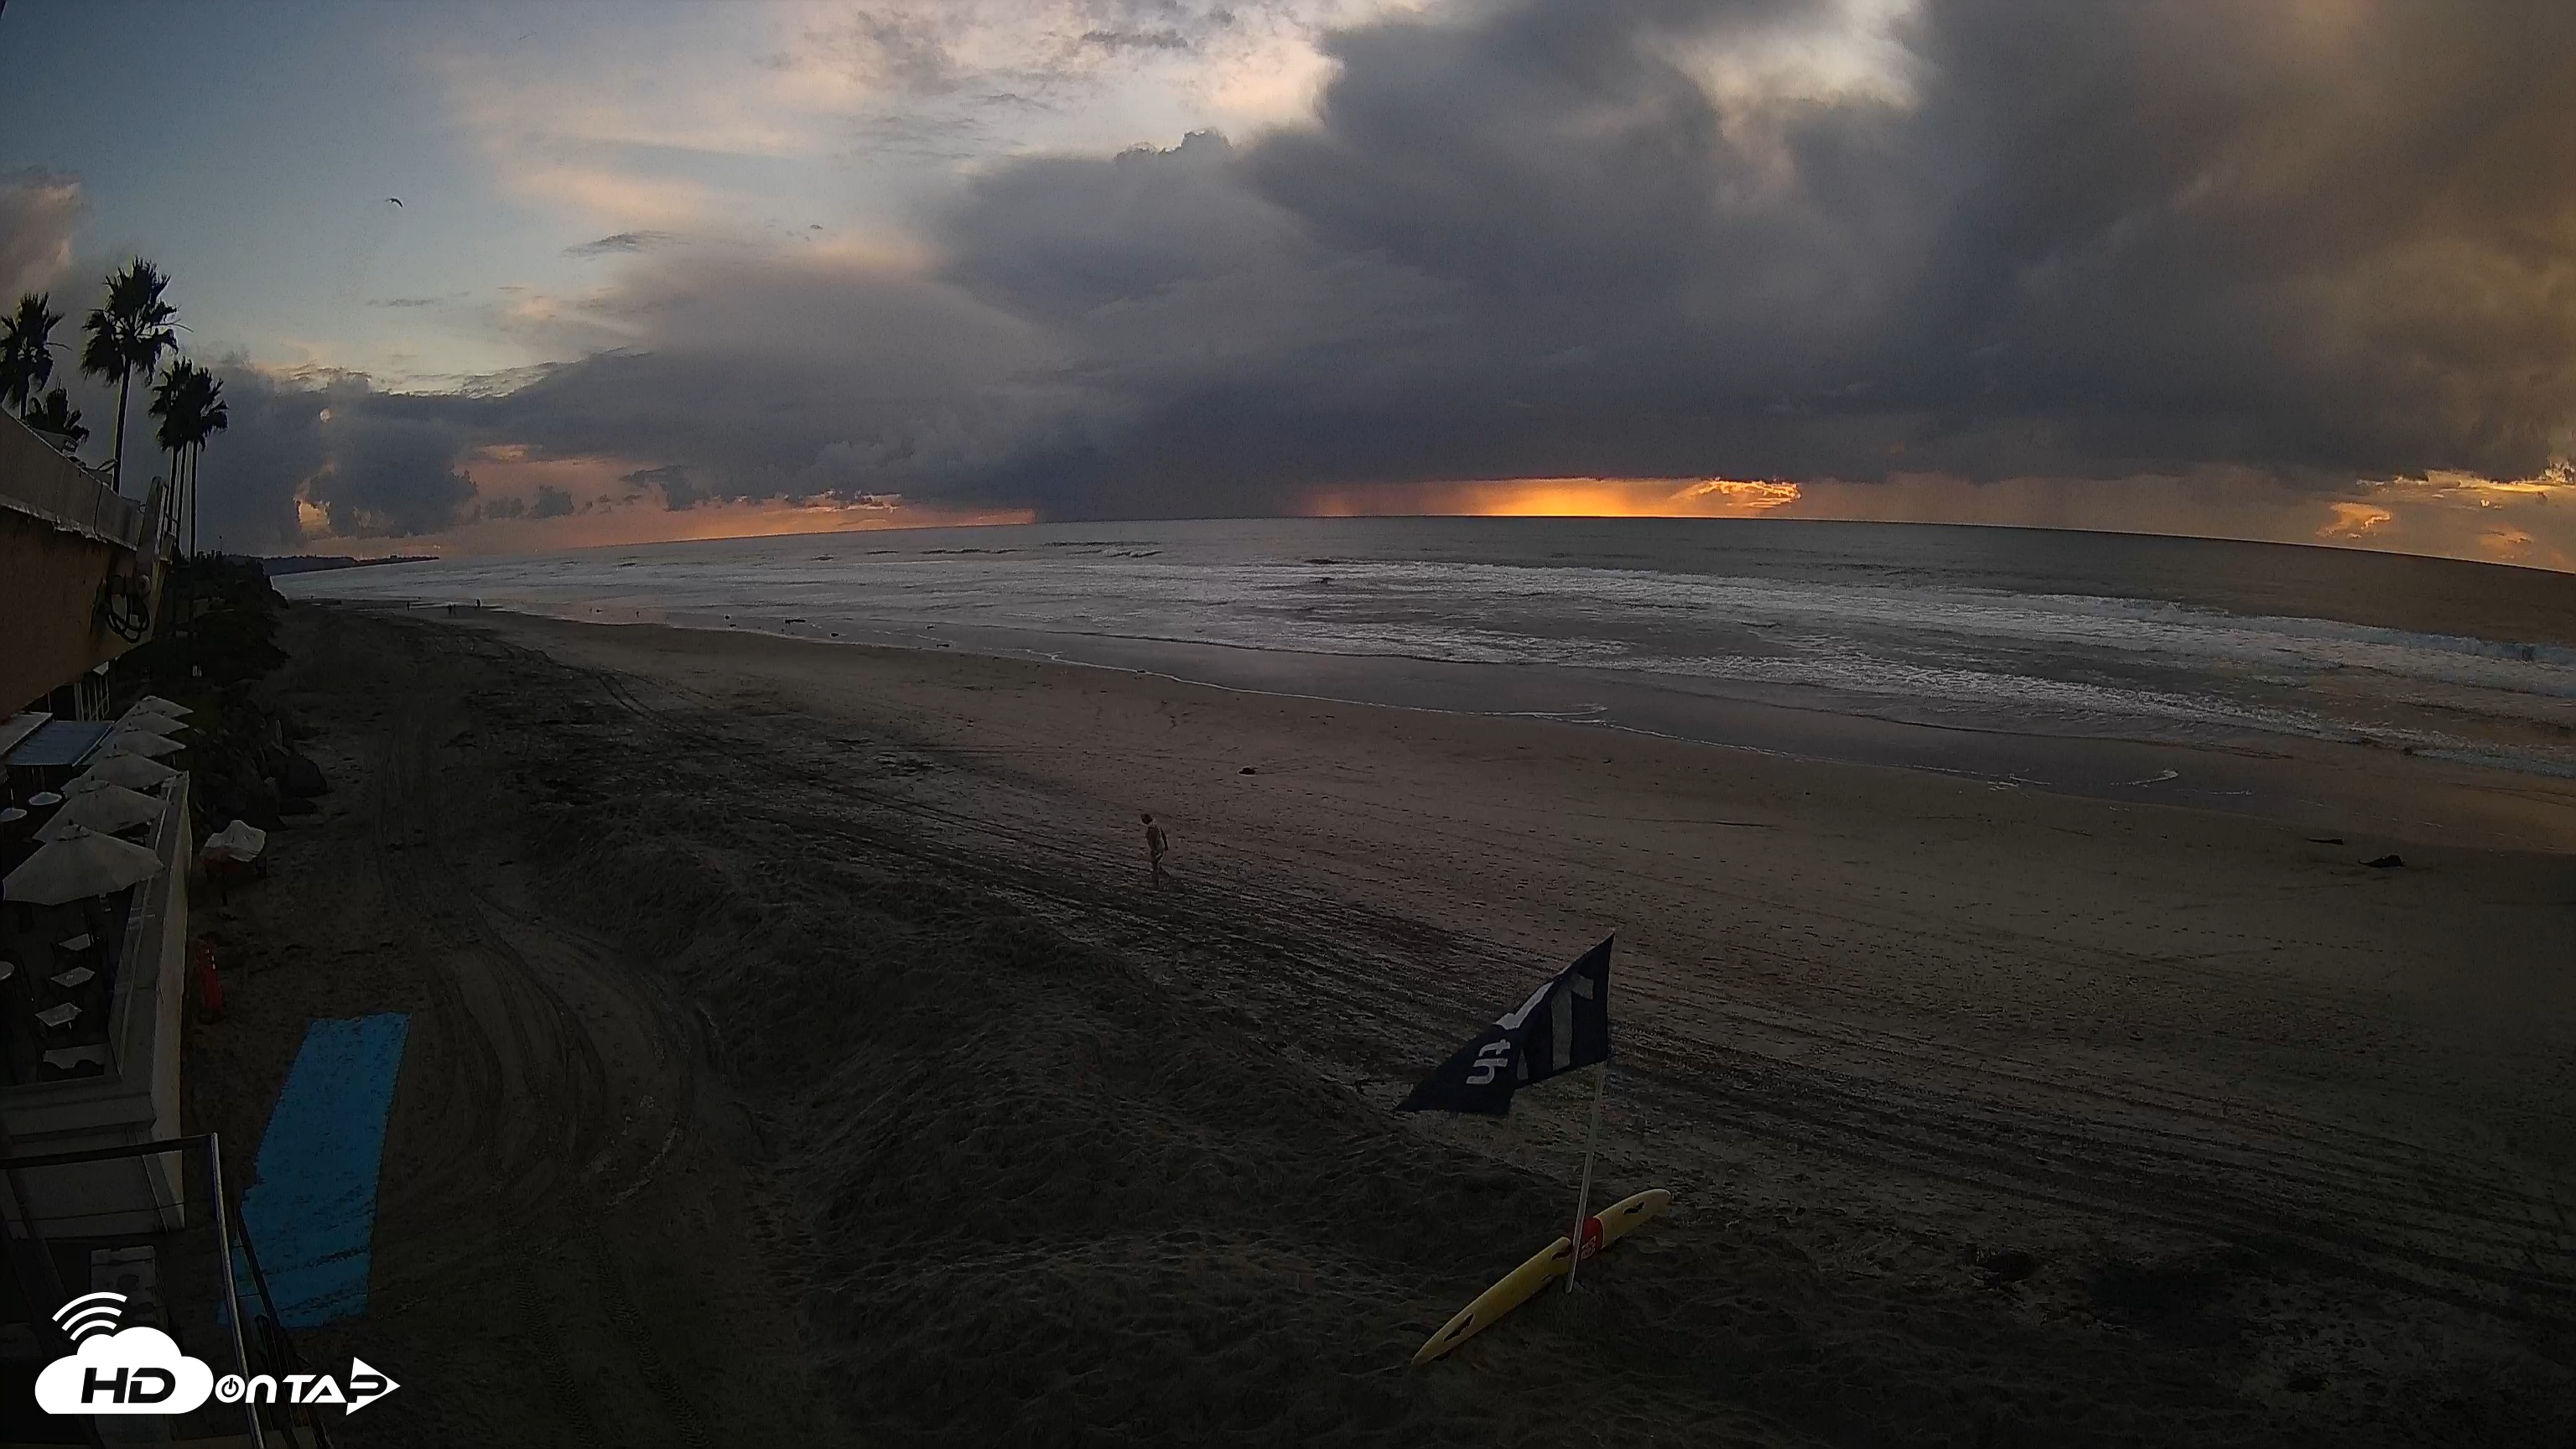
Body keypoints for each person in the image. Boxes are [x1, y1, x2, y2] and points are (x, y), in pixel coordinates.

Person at [1141, 812, 1169, 886]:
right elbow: (1163, 835)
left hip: (1157, 850)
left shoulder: (1151, 830)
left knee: (1155, 867)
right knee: (1157, 865)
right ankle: (1164, 876)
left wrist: (1154, 851)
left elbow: (1153, 841)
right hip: (1161, 848)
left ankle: (1156, 884)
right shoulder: (1157, 825)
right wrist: (1166, 845)